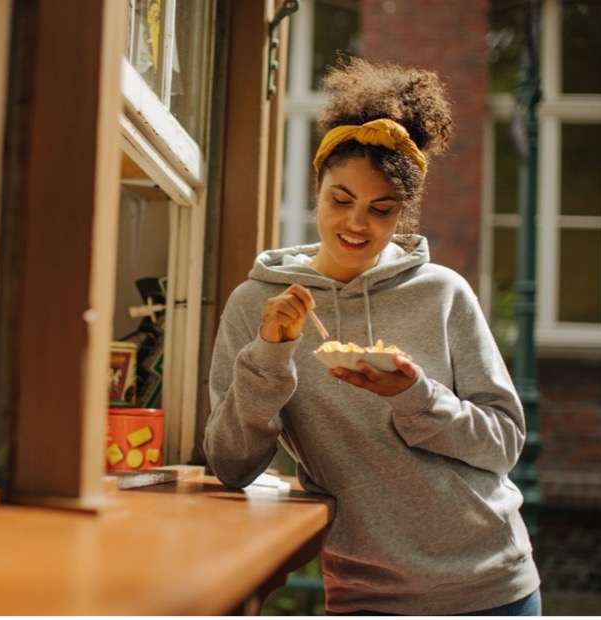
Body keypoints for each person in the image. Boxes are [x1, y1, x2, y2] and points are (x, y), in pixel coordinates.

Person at [203, 58, 541, 616]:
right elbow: (231, 465)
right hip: (368, 596)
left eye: (381, 210)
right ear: (317, 188)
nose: (356, 225)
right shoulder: (257, 305)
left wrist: (416, 396)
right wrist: (269, 356)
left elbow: (503, 444)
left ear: (403, 214)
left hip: (492, 586)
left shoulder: (443, 293)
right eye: (341, 200)